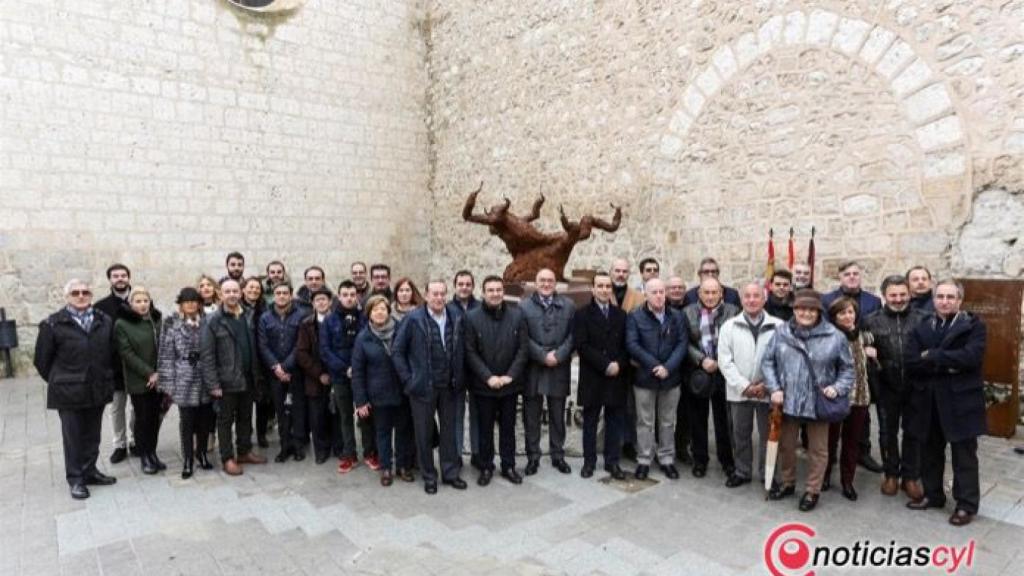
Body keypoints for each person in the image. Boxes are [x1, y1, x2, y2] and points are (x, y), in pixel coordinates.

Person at [763, 289, 854, 512]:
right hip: (788, 401)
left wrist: (838, 388)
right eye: (801, 308)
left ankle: (812, 490)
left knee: (818, 450)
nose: (805, 313)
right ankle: (787, 482)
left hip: (818, 402)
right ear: (794, 309)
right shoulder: (781, 332)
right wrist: (774, 388)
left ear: (818, 312)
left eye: (811, 309)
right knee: (786, 446)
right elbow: (768, 362)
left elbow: (847, 369)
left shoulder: (835, 336)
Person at [905, 280, 987, 526]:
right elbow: (911, 362)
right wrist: (949, 363)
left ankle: (966, 505)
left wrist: (932, 356)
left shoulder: (973, 326)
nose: (945, 301)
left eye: (951, 297)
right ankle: (933, 495)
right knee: (930, 451)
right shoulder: (922, 327)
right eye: (940, 296)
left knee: (964, 455)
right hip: (929, 400)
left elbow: (971, 357)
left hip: (962, 401)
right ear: (934, 299)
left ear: (959, 300)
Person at [34, 279, 118, 499]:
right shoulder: (52, 324)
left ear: (91, 295)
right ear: (67, 297)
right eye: (75, 293)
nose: (81, 296)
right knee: (73, 438)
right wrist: (60, 380)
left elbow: (112, 352)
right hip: (68, 392)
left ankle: (90, 471)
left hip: (97, 388)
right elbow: (42, 361)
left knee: (93, 435)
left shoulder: (104, 320)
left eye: (85, 292)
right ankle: (76, 479)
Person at [393, 280, 468, 494]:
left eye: (442, 294)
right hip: (423, 387)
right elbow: (397, 352)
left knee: (449, 432)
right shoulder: (413, 319)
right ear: (426, 296)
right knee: (424, 434)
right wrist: (409, 380)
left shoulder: (455, 316)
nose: (439, 298)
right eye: (434, 294)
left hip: (449, 386)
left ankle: (450, 473)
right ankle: (429, 475)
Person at [864, 275, 928, 500]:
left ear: (909, 294)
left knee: (914, 433)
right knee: (886, 432)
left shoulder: (923, 319)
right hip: (886, 386)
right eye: (893, 295)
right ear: (885, 296)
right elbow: (861, 345)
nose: (898, 299)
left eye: (902, 294)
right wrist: (867, 352)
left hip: (915, 385)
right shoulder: (871, 320)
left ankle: (910, 476)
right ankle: (891, 474)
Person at [464, 276, 529, 486]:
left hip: (509, 385)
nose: (495, 293)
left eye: (498, 289)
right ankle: (486, 467)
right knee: (485, 429)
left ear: (503, 292)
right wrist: (488, 377)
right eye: (490, 290)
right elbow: (470, 351)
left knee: (508, 428)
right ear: (483, 293)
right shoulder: (472, 318)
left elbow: (523, 349)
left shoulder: (517, 316)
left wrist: (510, 375)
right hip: (484, 386)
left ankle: (508, 465)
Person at [820, 261, 883, 473]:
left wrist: (869, 346)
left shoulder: (873, 301)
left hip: (862, 362)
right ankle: (829, 463)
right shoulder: (827, 299)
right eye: (847, 274)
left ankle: (861, 453)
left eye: (856, 273)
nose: (852, 277)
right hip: (836, 367)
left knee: (861, 419)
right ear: (840, 276)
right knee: (833, 424)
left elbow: (876, 329)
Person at [200, 279, 268, 475]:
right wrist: (213, 384)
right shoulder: (213, 320)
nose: (231, 294)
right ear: (220, 294)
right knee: (225, 420)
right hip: (225, 380)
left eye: (235, 291)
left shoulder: (246, 315)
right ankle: (227, 458)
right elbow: (207, 355)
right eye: (227, 291)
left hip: (247, 377)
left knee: (246, 417)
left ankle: (244, 451)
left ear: (241, 293)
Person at [718, 282, 782, 488]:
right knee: (741, 434)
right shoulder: (729, 326)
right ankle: (742, 471)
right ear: (742, 299)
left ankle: (767, 473)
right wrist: (745, 386)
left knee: (767, 435)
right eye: (747, 296)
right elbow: (724, 361)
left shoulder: (779, 326)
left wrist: (767, 385)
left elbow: (783, 360)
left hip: (768, 391)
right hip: (740, 391)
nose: (752, 300)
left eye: (756, 296)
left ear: (764, 299)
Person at [625, 278, 687, 480]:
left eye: (662, 291)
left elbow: (682, 344)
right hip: (645, 378)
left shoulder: (677, 316)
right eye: (654, 292)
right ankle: (644, 459)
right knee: (645, 421)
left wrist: (667, 367)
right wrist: (654, 366)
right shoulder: (635, 317)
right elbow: (632, 344)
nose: (659, 295)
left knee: (668, 421)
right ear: (646, 294)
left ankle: (667, 458)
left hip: (671, 378)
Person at [352, 296, 414, 486]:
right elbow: (358, 371)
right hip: (378, 394)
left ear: (389, 311)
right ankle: (386, 467)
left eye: (383, 309)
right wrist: (361, 400)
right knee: (383, 432)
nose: (379, 313)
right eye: (375, 310)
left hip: (402, 391)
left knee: (403, 431)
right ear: (369, 314)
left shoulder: (402, 330)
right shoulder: (363, 338)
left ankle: (403, 466)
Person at [520, 268, 576, 475]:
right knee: (531, 417)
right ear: (535, 282)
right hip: (533, 369)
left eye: (550, 280)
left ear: (555, 283)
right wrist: (543, 356)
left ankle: (557, 455)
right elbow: (523, 338)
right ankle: (533, 457)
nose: (546, 284)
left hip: (558, 368)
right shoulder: (524, 307)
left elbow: (573, 336)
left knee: (557, 415)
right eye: (542, 280)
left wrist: (558, 355)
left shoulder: (568, 306)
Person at [574, 272, 629, 480]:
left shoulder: (621, 315)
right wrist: (605, 365)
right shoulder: (581, 314)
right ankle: (589, 462)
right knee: (590, 421)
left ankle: (612, 462)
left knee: (614, 421)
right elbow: (582, 345)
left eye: (608, 286)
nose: (605, 290)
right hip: (593, 376)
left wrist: (618, 365)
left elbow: (627, 345)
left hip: (616, 376)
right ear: (593, 289)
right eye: (600, 286)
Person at [682, 277, 739, 479]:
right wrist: (701, 360)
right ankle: (700, 460)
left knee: (724, 420)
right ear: (699, 293)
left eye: (714, 292)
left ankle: (727, 461)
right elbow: (684, 342)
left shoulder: (733, 311)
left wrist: (720, 362)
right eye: (706, 292)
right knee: (698, 419)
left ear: (721, 293)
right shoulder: (687, 312)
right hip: (699, 373)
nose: (710, 296)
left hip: (724, 373)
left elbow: (737, 341)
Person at [321, 281, 379, 473]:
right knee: (345, 416)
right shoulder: (329, 321)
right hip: (340, 376)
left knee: (366, 415)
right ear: (338, 295)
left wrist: (357, 368)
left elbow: (370, 345)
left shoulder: (364, 319)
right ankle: (350, 454)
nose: (349, 298)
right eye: (345, 294)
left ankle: (370, 453)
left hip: (362, 376)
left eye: (352, 294)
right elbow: (325, 350)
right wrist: (345, 368)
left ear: (357, 296)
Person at [824, 297, 877, 501]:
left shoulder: (864, 337)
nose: (847, 316)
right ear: (835, 317)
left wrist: (871, 351)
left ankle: (848, 481)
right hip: (837, 396)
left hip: (860, 397)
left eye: (850, 312)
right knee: (829, 441)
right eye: (842, 313)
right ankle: (825, 476)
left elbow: (876, 343)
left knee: (852, 442)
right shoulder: (829, 337)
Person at [158, 287, 215, 479]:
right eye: (186, 301)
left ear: (199, 304)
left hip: (205, 377)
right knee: (187, 422)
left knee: (205, 421)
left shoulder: (208, 323)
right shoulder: (172, 325)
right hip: (183, 378)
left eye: (194, 301)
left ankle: (201, 453)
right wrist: (169, 384)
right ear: (181, 305)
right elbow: (166, 355)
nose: (190, 305)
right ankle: (188, 458)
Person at [114, 287, 165, 475]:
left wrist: (159, 372)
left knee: (154, 418)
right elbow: (127, 353)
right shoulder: (122, 324)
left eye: (146, 301)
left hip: (159, 378)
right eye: (138, 301)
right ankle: (144, 456)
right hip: (139, 380)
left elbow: (165, 346)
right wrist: (149, 373)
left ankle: (153, 453)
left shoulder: (156, 320)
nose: (143, 305)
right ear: (131, 303)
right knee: (142, 419)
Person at [257, 282, 308, 462]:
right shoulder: (265, 318)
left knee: (297, 409)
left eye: (285, 293)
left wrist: (286, 366)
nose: (281, 296)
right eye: (278, 293)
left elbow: (300, 344)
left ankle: (299, 446)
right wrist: (277, 367)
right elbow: (263, 345)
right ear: (274, 295)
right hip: (275, 373)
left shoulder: (301, 316)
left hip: (295, 371)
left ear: (291, 295)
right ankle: (285, 445)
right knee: (280, 410)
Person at [95, 263, 135, 464]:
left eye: (123, 275)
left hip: (138, 366)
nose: (120, 279)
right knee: (117, 407)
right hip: (114, 366)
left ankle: (136, 440)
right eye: (115, 276)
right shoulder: (100, 307)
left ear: (129, 278)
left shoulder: (141, 300)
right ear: (110, 280)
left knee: (138, 406)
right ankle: (120, 444)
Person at [446, 270, 481, 469]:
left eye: (468, 284)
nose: (464, 287)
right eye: (461, 284)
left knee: (477, 414)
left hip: (477, 371)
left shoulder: (480, 307)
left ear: (473, 286)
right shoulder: (448, 308)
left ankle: (476, 453)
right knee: (456, 415)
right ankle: (457, 454)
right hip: (455, 371)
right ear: (455, 285)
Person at [296, 289, 335, 464]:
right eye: (317, 300)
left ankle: (339, 447)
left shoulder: (337, 321)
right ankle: (321, 450)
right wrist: (319, 373)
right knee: (317, 416)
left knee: (336, 414)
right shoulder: (306, 324)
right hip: (315, 378)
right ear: (313, 303)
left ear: (330, 302)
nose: (321, 303)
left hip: (336, 375)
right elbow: (302, 353)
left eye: (324, 299)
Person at [242, 277, 273, 449]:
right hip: (245, 362)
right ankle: (245, 435)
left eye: (257, 288)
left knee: (262, 401)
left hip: (262, 361)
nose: (254, 290)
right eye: (250, 287)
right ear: (244, 290)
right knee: (245, 404)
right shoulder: (237, 308)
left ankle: (261, 435)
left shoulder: (265, 309)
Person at [667, 275, 693, 466]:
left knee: (686, 411)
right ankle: (663, 446)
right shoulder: (661, 307)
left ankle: (682, 446)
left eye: (680, 287)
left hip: (689, 367)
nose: (677, 290)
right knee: (665, 413)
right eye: (673, 287)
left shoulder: (692, 308)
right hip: (668, 368)